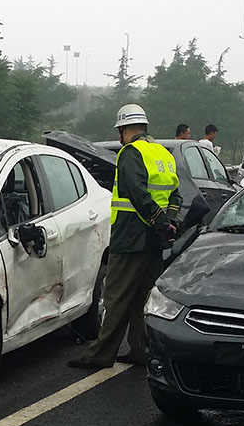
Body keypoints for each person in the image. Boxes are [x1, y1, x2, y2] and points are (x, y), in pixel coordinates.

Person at [68, 104, 181, 370]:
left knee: (116, 297)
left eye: (120, 131)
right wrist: (169, 223)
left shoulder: (131, 153)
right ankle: (141, 349)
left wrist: (158, 221)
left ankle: (100, 355)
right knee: (143, 298)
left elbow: (136, 193)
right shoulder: (162, 153)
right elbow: (176, 193)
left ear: (124, 130)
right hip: (155, 240)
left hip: (131, 237)